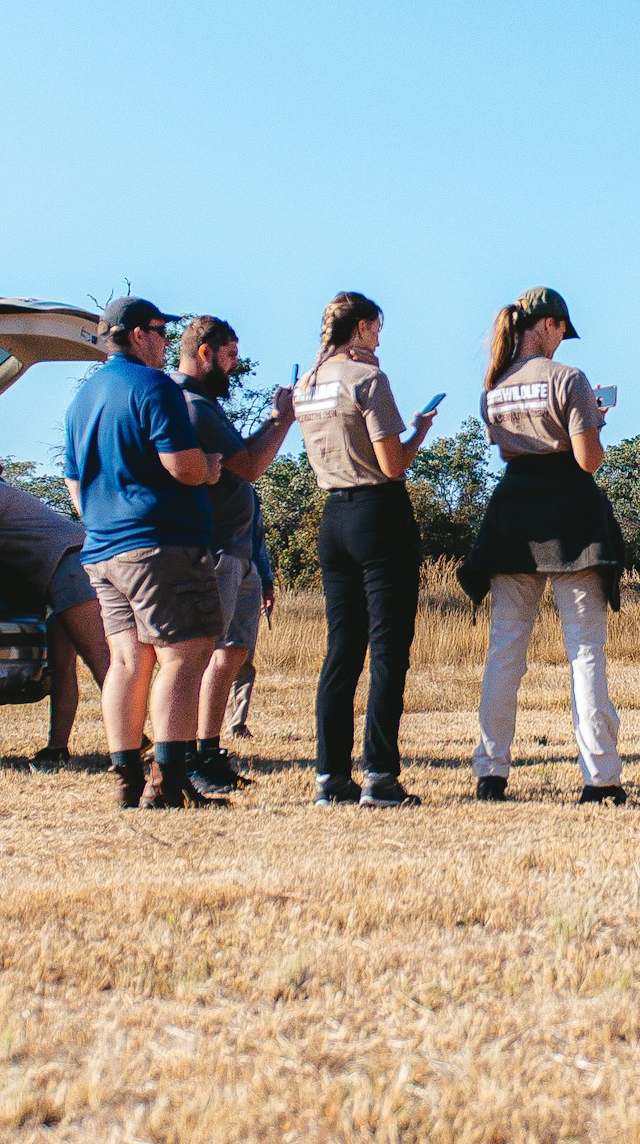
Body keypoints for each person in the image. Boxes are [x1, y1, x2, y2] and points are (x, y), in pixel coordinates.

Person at [65, 297, 285, 809]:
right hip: (160, 544)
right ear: (139, 334)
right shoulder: (154, 387)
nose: (167, 342)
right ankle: (168, 781)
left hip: (102, 549)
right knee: (184, 656)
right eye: (162, 331)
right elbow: (183, 466)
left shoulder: (83, 398)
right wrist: (209, 468)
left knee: (126, 661)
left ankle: (126, 781)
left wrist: (103, 517)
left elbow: (74, 480)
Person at [458, 287, 629, 805]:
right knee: (584, 651)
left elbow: (508, 446)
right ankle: (600, 778)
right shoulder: (569, 379)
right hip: (570, 517)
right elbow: (588, 460)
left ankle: (490, 772)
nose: (561, 341)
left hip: (513, 517)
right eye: (561, 331)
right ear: (549, 325)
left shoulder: (494, 383)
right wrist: (594, 418)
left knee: (505, 651)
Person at [298, 291, 439, 806]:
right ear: (359, 327)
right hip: (379, 515)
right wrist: (419, 432)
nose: (380, 339)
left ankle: (330, 776)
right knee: (387, 650)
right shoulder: (369, 381)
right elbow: (393, 463)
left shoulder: (306, 387)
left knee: (341, 651)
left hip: (331, 516)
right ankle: (380, 772)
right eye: (377, 328)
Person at [173, 317, 294, 792]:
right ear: (204, 352)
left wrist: (261, 568)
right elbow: (250, 467)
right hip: (213, 546)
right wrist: (282, 417)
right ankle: (185, 756)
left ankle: (208, 749)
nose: (235, 366)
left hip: (240, 548)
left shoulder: (210, 405)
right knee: (202, 653)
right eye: (230, 356)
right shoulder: (193, 407)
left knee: (233, 651)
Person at [0, 444, 111, 765]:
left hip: (70, 569)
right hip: (71, 567)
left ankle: (130, 742)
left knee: (100, 660)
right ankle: (57, 748)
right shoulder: (0, 492)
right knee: (62, 666)